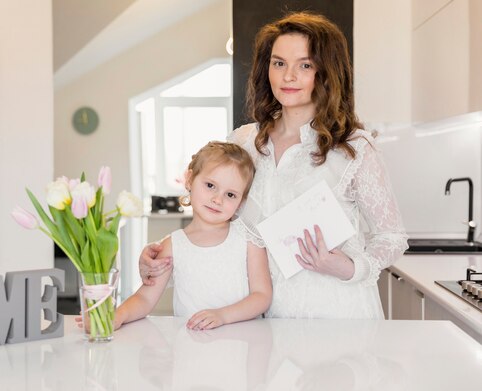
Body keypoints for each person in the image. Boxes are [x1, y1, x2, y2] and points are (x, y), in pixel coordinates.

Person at [139, 12, 408, 319]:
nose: (288, 76)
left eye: (305, 65)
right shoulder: (243, 142)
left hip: (338, 312)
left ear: (327, 73)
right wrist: (159, 256)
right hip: (262, 316)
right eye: (279, 63)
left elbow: (392, 237)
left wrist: (350, 266)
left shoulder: (354, 147)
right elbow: (216, 225)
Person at [115, 141, 272, 330]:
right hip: (190, 346)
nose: (217, 199)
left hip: (240, 343)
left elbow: (262, 296)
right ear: (189, 180)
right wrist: (118, 315)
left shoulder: (249, 239)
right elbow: (145, 298)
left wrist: (222, 316)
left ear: (241, 202)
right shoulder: (172, 245)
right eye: (210, 185)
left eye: (230, 195)